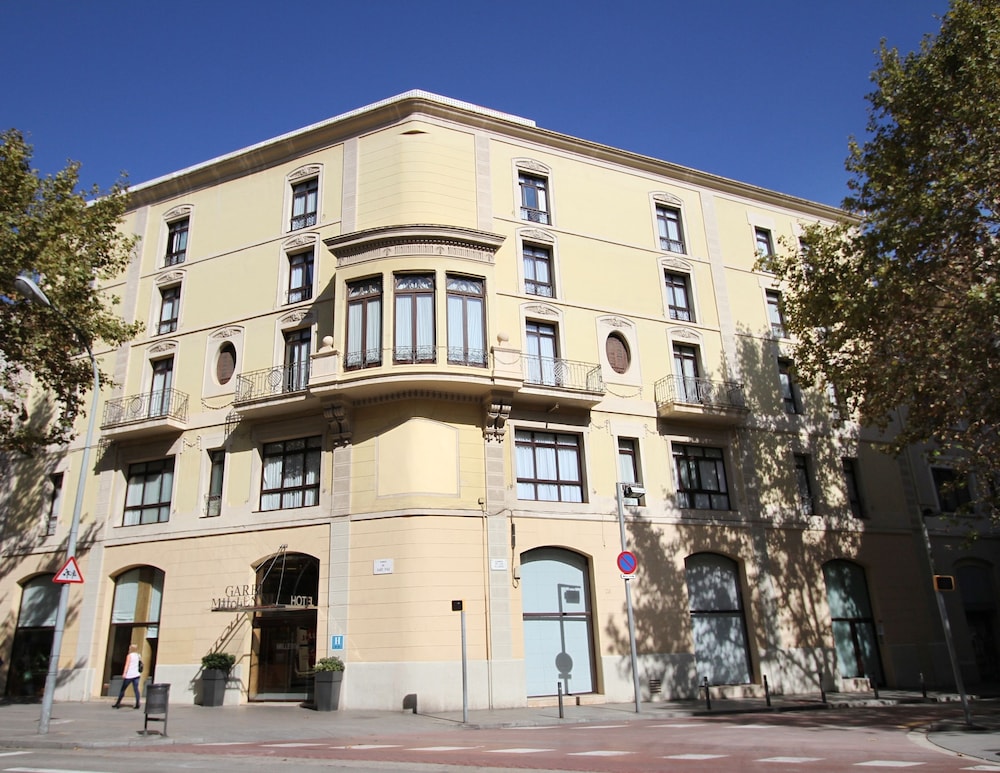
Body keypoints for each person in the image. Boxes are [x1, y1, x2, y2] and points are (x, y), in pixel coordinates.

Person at [112, 644, 141, 709]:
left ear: (131, 649)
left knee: (123, 689)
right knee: (136, 689)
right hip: (136, 674)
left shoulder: (129, 656)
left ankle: (118, 703)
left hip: (129, 675)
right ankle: (137, 704)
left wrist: (124, 673)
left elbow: (127, 665)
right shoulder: (138, 655)